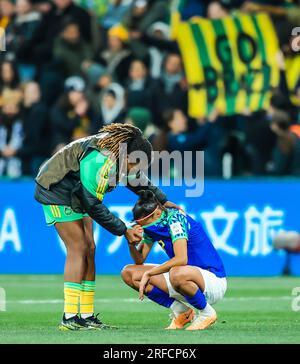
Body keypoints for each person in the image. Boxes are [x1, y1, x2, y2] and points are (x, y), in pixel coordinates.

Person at [34, 123, 179, 330]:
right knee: (78, 248)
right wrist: (124, 230)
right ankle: (69, 317)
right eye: (136, 164)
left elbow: (135, 179)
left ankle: (86, 315)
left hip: (76, 191)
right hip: (55, 188)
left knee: (90, 249)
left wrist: (162, 200)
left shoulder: (123, 155)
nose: (137, 170)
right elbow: (92, 204)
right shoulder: (100, 161)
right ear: (128, 157)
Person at [122, 190, 227, 331]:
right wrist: (131, 244)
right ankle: (182, 312)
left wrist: (150, 273)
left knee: (177, 272)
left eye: (145, 223)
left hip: (212, 281)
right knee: (129, 273)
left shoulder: (175, 219)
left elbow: (181, 258)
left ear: (157, 213)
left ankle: (207, 313)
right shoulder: (152, 226)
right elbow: (139, 260)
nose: (144, 228)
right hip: (183, 275)